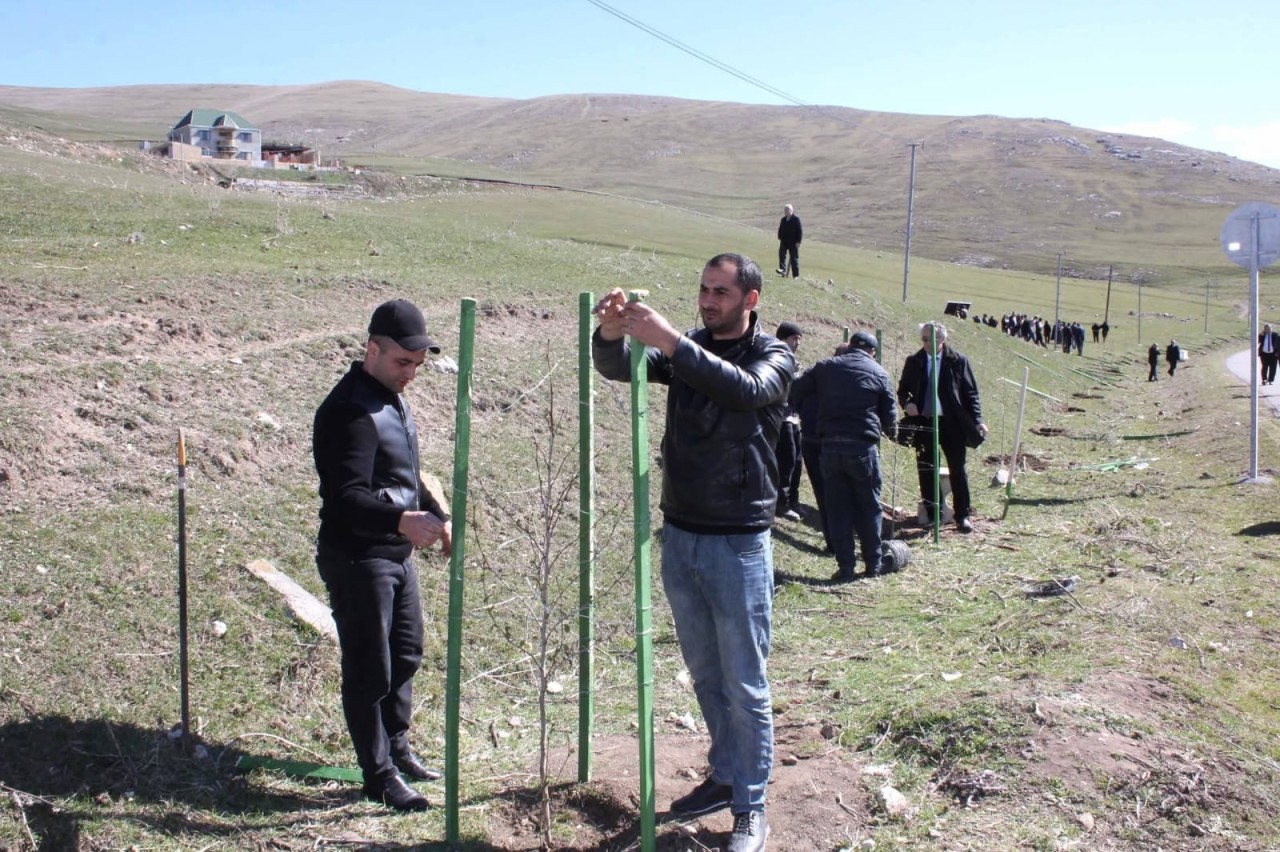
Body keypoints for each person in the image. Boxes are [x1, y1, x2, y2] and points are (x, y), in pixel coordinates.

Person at [592, 253, 793, 852]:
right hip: (680, 534)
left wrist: (674, 342)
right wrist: (611, 331)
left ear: (750, 299)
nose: (709, 300)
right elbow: (617, 368)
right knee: (706, 673)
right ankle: (726, 776)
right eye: (704, 289)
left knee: (746, 683)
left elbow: (745, 389)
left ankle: (751, 807)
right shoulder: (688, 351)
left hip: (738, 540)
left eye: (722, 292)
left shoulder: (774, 357)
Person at [312, 299, 452, 812]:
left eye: (417, 365)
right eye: (402, 363)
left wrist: (438, 512)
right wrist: (400, 521)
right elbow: (344, 497)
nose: (411, 374)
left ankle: (398, 749)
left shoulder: (390, 397)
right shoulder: (347, 410)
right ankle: (379, 776)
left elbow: (404, 472)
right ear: (373, 349)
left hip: (395, 555)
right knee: (370, 669)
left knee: (407, 652)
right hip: (358, 556)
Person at [789, 330, 897, 582]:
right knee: (869, 507)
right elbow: (891, 422)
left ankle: (846, 567)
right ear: (872, 352)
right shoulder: (879, 373)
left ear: (849, 348)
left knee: (838, 508)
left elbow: (795, 390)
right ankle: (873, 565)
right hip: (862, 448)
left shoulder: (826, 367)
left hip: (830, 447)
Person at [896, 321, 989, 534]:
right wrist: (908, 404)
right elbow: (903, 391)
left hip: (952, 422)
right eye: (924, 339)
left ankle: (962, 515)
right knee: (926, 467)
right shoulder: (915, 361)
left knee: (958, 469)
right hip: (924, 422)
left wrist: (978, 419)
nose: (927, 343)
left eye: (932, 339)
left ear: (942, 340)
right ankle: (933, 513)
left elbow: (970, 394)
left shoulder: (958, 361)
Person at [773, 321, 805, 522]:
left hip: (793, 417)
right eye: (794, 338)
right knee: (786, 461)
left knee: (797, 461)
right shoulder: (775, 357)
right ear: (783, 339)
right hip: (780, 417)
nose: (798, 343)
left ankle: (793, 501)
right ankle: (781, 504)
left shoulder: (792, 359)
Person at [776, 204, 802, 278]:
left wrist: (798, 242)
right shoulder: (783, 219)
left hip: (793, 243)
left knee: (794, 259)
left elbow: (799, 231)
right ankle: (782, 271)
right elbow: (780, 228)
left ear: (792, 210)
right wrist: (779, 236)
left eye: (788, 210)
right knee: (782, 255)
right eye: (785, 210)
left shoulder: (796, 219)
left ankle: (796, 275)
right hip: (784, 241)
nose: (786, 211)